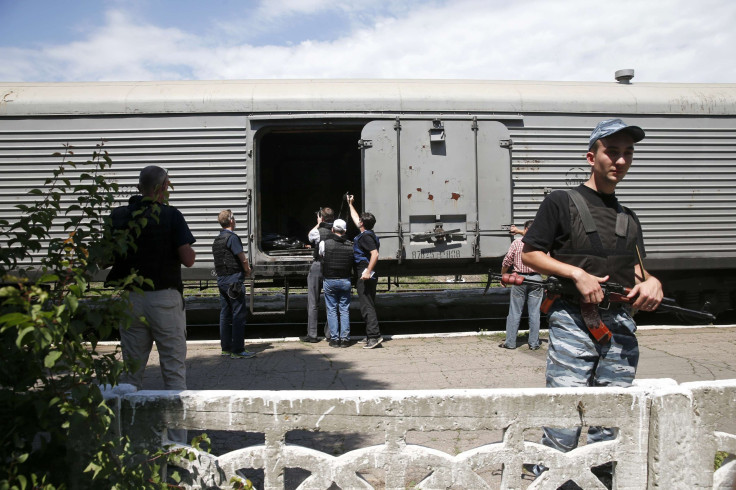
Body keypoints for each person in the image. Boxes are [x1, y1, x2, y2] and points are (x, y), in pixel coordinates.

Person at [521, 119, 663, 465]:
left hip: (619, 325)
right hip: (572, 319)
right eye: (611, 152)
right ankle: (550, 478)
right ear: (591, 156)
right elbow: (530, 253)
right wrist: (576, 274)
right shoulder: (560, 202)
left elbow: (638, 269)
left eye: (628, 154)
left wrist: (652, 282)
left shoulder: (628, 217)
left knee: (611, 420)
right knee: (564, 417)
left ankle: (601, 477)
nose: (621, 161)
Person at [106, 166, 196, 444]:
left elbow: (105, 257)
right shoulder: (171, 215)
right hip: (164, 298)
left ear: (139, 187)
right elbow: (188, 259)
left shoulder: (119, 216)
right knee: (173, 369)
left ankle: (129, 437)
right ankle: (179, 441)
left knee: (131, 371)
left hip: (130, 298)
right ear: (162, 187)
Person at [212, 209, 255, 359]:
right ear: (231, 221)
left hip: (222, 280)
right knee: (238, 314)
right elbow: (242, 258)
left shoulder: (217, 239)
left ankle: (226, 348)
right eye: (234, 219)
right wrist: (247, 270)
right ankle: (238, 350)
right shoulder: (232, 238)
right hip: (234, 281)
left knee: (225, 314)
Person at [498, 220, 543, 350]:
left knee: (514, 312)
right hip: (536, 279)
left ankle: (510, 343)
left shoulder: (517, 243)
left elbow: (507, 261)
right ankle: (534, 344)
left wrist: (503, 276)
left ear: (524, 229)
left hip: (519, 279)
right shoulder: (541, 244)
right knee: (535, 313)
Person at [347, 195, 383, 349]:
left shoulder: (366, 237)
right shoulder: (368, 233)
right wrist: (350, 204)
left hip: (365, 272)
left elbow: (375, 254)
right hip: (366, 271)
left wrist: (367, 271)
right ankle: (370, 335)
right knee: (367, 304)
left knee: (366, 305)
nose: (358, 221)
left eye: (360, 220)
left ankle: (374, 337)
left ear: (363, 223)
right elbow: (356, 218)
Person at [301, 207, 335, 343]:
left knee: (313, 301)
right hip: (331, 267)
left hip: (317, 265)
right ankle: (330, 333)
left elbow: (310, 236)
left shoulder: (317, 231)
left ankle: (312, 335)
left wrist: (318, 223)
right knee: (331, 302)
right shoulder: (337, 230)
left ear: (321, 217)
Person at [319, 218, 353, 348]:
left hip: (330, 280)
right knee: (344, 310)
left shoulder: (324, 244)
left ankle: (334, 339)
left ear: (332, 230)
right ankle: (345, 339)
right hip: (345, 280)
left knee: (332, 310)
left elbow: (321, 256)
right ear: (344, 231)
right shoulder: (351, 245)